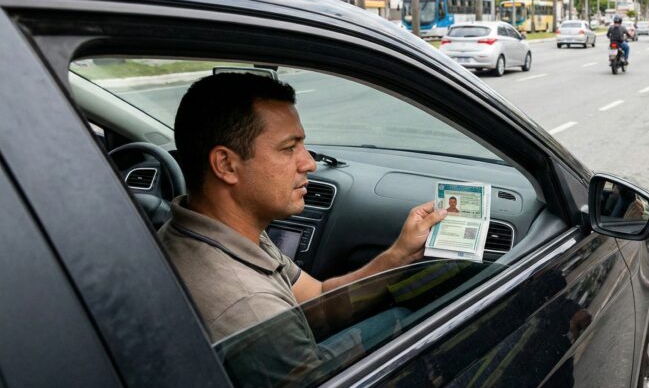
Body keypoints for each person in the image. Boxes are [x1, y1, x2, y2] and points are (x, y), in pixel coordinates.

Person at [159, 72, 448, 345]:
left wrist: (400, 254)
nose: (309, 163)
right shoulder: (251, 306)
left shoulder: (213, 233)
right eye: (288, 148)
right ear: (225, 165)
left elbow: (319, 301)